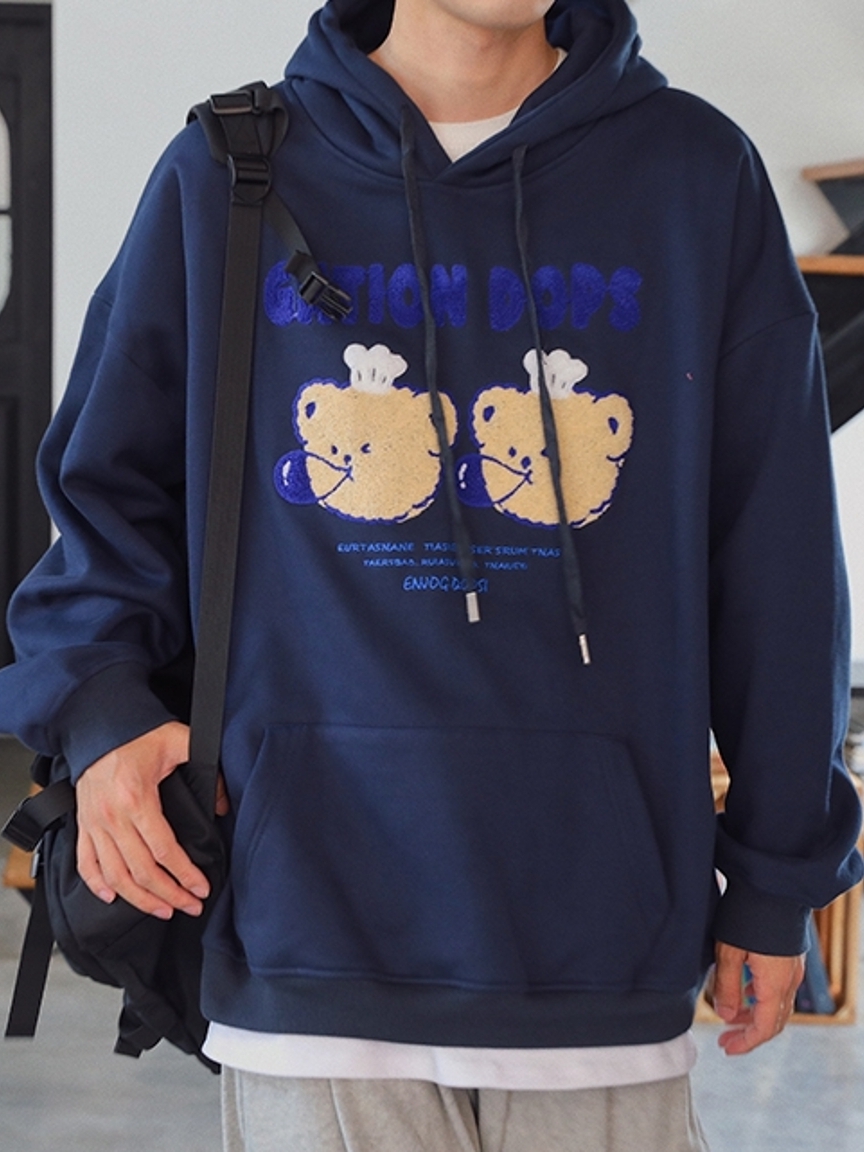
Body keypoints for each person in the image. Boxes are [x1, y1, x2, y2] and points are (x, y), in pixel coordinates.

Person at [1, 1, 862, 1149]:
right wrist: (103, 717)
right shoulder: (228, 172)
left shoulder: (695, 176)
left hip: (598, 944)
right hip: (307, 928)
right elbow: (109, 494)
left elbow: (778, 557)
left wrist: (775, 873)